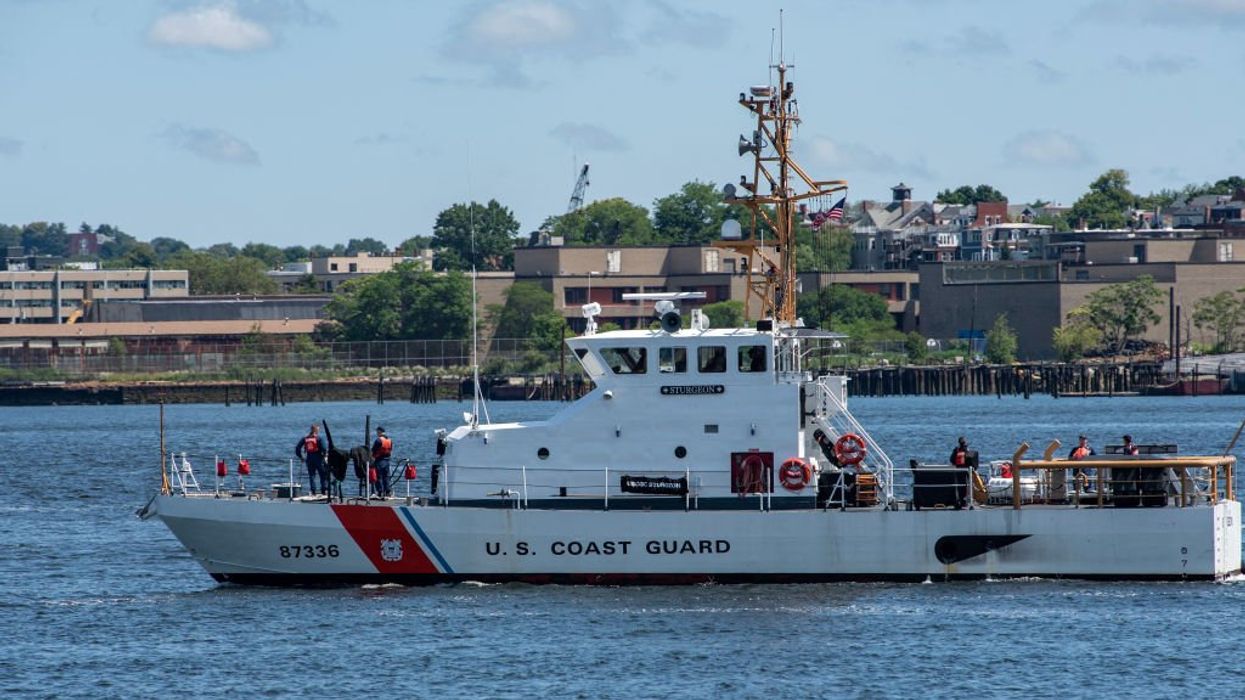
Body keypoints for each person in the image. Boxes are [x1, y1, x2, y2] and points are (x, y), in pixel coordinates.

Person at [295, 424, 329, 496]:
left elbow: (297, 448)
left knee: (312, 476)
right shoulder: (319, 438)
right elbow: (324, 448)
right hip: (319, 458)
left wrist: (301, 457)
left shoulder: (305, 438)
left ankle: (313, 492)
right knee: (323, 475)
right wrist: (325, 456)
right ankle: (324, 491)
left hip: (309, 459)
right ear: (316, 430)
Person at [371, 426, 394, 498]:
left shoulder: (378, 440)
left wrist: (372, 458)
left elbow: (373, 450)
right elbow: (390, 450)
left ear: (379, 431)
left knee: (378, 477)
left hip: (379, 460)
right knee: (386, 476)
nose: (377, 433)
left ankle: (380, 492)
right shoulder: (390, 440)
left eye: (377, 432)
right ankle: (387, 491)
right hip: (387, 460)